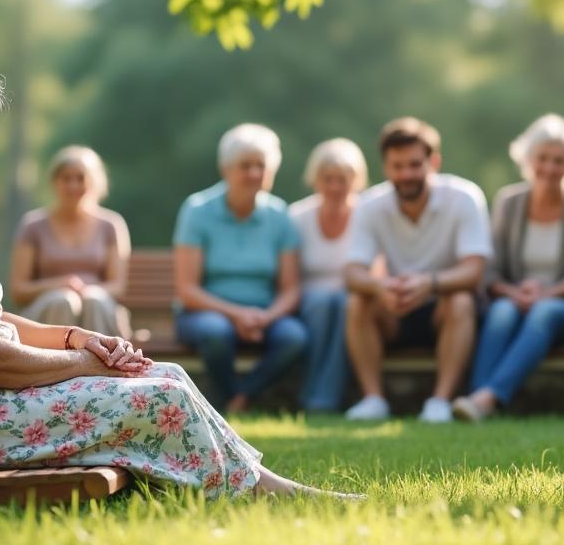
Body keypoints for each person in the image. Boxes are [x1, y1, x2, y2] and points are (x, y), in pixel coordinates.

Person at [0, 45, 340, 498]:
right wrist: (85, 366)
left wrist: (79, 340)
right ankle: (273, 498)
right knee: (157, 393)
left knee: (165, 373)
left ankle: (268, 490)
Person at [453, 115, 564, 422]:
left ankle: (487, 397)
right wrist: (512, 292)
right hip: (515, 299)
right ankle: (478, 399)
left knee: (543, 312)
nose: (549, 168)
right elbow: (490, 270)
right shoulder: (509, 203)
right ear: (528, 160)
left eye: (559, 160)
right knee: (501, 312)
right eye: (542, 159)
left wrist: (547, 293)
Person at [343, 117, 491, 423]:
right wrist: (379, 287)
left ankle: (440, 401)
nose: (406, 174)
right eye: (397, 166)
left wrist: (429, 283)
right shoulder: (370, 205)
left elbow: (475, 271)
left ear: (433, 162)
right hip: (393, 306)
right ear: (385, 167)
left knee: (461, 299)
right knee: (358, 301)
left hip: (443, 306)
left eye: (414, 165)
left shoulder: (464, 197)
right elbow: (352, 272)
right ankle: (373, 400)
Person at [172, 123, 308, 413]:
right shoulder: (197, 210)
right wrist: (237, 315)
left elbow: (291, 288)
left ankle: (240, 397)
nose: (254, 174)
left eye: (262, 166)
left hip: (263, 316)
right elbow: (187, 290)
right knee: (216, 333)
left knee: (294, 337)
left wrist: (265, 317)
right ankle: (226, 397)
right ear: (226, 168)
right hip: (204, 314)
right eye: (245, 166)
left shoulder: (280, 215)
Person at [9, 146, 132, 338]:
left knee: (95, 300)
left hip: (98, 308)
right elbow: (18, 290)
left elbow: (117, 286)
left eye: (80, 178)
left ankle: (100, 365)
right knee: (63, 301)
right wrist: (59, 285)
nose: (73, 186)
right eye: (66, 178)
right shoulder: (32, 226)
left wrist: (86, 292)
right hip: (47, 308)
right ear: (54, 182)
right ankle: (56, 365)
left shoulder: (111, 224)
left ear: (94, 182)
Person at [288, 138, 369, 412]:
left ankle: (325, 397)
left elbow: (376, 267)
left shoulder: (367, 214)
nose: (335, 187)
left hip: (353, 295)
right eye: (328, 179)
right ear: (316, 179)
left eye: (343, 179)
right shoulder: (297, 216)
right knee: (324, 303)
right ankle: (312, 390)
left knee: (343, 304)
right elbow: (289, 272)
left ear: (356, 180)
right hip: (308, 298)